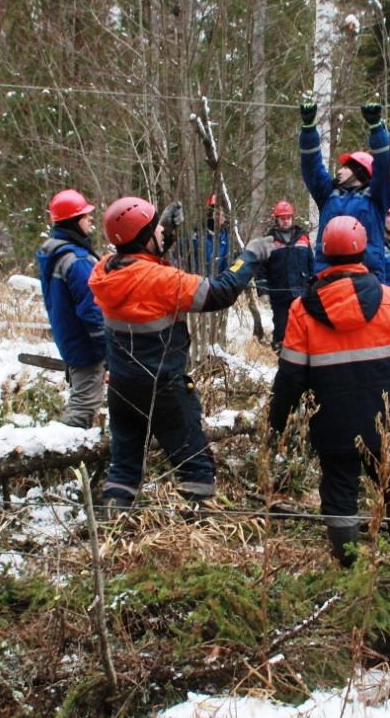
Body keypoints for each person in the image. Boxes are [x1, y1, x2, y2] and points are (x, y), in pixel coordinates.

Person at [89, 196, 273, 513]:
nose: (159, 231)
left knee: (124, 468)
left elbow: (140, 261)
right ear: (143, 236)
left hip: (122, 387)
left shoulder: (104, 271)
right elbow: (220, 292)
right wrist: (250, 257)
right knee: (195, 467)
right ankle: (197, 546)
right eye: (154, 227)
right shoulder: (160, 280)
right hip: (164, 389)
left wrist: (166, 232)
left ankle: (112, 532)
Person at [269, 216, 390, 566]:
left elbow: (290, 376)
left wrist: (276, 421)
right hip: (385, 419)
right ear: (364, 249)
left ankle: (346, 566)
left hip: (333, 424)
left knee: (340, 490)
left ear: (324, 252)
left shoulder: (301, 309)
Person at [298, 98, 390, 289]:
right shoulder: (328, 194)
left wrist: (377, 130)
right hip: (326, 280)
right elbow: (312, 166)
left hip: (367, 281)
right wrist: (308, 129)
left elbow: (386, 168)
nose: (339, 171)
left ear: (360, 171)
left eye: (346, 167)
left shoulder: (376, 199)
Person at [36, 189, 106, 428]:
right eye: (86, 216)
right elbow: (92, 310)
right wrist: (108, 349)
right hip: (84, 345)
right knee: (84, 405)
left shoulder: (56, 253)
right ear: (74, 221)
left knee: (83, 399)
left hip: (71, 339)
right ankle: (60, 452)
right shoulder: (76, 261)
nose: (90, 220)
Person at [257, 200, 314, 353]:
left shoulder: (303, 237)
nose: (286, 220)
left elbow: (311, 263)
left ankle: (303, 355)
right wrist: (263, 291)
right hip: (279, 292)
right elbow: (261, 268)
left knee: (303, 326)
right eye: (282, 218)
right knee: (281, 328)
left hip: (301, 291)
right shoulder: (269, 241)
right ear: (277, 219)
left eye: (288, 217)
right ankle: (281, 357)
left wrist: (315, 285)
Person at [183, 194, 231, 277]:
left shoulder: (226, 238)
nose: (220, 217)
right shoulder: (197, 236)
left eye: (223, 214)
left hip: (219, 285)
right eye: (217, 214)